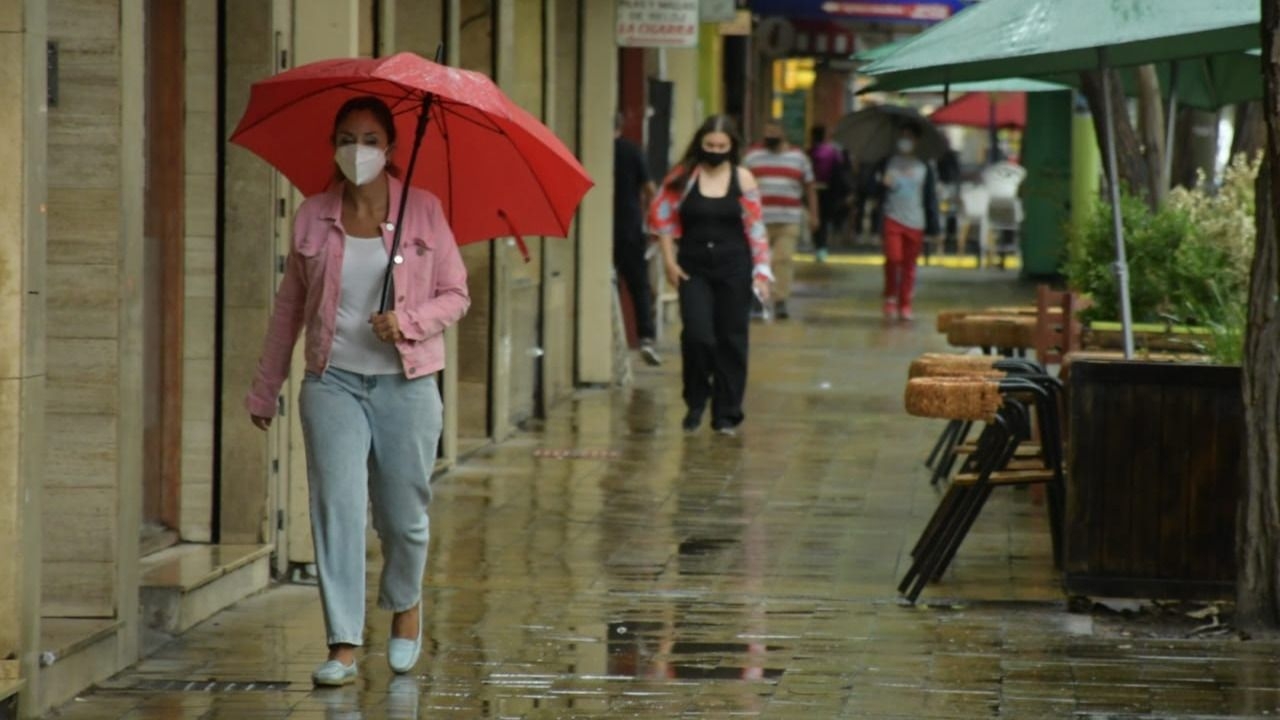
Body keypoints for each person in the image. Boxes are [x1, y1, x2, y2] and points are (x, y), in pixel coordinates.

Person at [245, 96, 470, 686]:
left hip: (407, 383)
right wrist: (265, 389)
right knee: (336, 511)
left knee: (403, 519)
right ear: (333, 147)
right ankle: (343, 641)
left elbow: (457, 294)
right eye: (347, 138)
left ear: (391, 149)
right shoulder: (312, 216)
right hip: (332, 382)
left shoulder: (425, 211)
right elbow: (288, 309)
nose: (358, 150)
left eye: (370, 139)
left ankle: (405, 606)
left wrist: (410, 320)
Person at [648, 114, 771, 435]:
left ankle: (727, 413)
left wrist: (761, 272)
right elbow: (662, 220)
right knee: (698, 335)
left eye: (721, 146)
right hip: (693, 266)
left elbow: (755, 227)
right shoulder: (683, 176)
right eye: (709, 145)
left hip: (734, 265)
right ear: (699, 144)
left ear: (732, 148)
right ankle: (696, 399)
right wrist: (669, 263)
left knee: (732, 339)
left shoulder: (743, 179)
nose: (715, 150)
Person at [741, 120, 818, 320]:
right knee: (757, 261)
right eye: (767, 131)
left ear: (784, 132)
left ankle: (780, 300)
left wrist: (814, 214)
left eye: (774, 130)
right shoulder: (752, 157)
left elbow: (809, 187)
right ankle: (757, 300)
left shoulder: (799, 158)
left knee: (782, 260)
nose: (771, 134)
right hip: (758, 220)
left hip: (789, 218)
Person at [871, 124, 940, 322]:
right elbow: (870, 188)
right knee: (893, 258)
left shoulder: (923, 167)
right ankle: (890, 296)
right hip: (892, 218)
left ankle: (905, 302)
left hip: (916, 221)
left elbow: (930, 198)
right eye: (902, 136)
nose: (905, 141)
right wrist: (880, 183)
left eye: (909, 137)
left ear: (916, 141)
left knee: (909, 266)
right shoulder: (888, 163)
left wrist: (934, 227)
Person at [613, 114, 661, 366]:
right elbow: (651, 191)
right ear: (621, 126)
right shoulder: (632, 151)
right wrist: (655, 223)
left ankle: (608, 338)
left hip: (600, 226)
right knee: (638, 284)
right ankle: (646, 337)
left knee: (606, 282)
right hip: (629, 226)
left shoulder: (592, 152)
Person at [807, 125, 855, 263]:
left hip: (814, 189)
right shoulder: (833, 152)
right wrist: (846, 191)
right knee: (824, 219)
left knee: (817, 218)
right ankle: (822, 246)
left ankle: (819, 245)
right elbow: (840, 173)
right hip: (830, 191)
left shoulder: (810, 152)